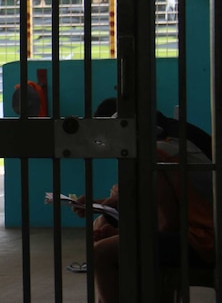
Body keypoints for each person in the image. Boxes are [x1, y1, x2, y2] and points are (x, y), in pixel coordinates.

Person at [73, 100, 214, 302]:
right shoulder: (170, 142)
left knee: (101, 252)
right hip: (202, 231)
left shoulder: (156, 155)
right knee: (107, 229)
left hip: (202, 241)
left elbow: (167, 224)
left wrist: (123, 234)